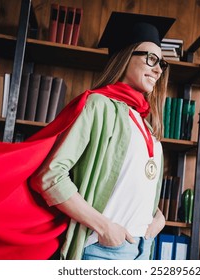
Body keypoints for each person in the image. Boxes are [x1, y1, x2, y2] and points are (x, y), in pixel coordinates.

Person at [29, 12, 176, 260]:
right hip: (103, 249)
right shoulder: (98, 106)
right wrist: (104, 226)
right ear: (125, 57)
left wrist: (158, 216)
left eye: (162, 63)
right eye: (151, 59)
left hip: (144, 248)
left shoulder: (146, 123)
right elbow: (50, 176)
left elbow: (129, 183)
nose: (158, 70)